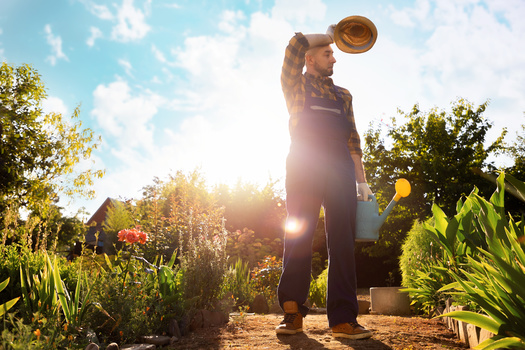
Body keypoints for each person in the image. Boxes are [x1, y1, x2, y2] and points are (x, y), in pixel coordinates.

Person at [276, 25, 373, 340]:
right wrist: (332, 34)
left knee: (342, 241)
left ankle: (343, 320)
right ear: (311, 59)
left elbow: (353, 143)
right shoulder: (296, 86)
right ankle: (292, 313)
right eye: (328, 53)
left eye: (333, 52)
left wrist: (362, 183)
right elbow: (294, 45)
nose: (334, 58)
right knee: (299, 233)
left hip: (340, 168)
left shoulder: (343, 95)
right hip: (305, 165)